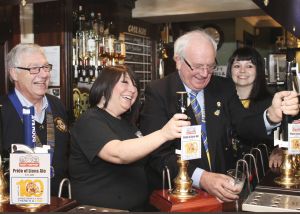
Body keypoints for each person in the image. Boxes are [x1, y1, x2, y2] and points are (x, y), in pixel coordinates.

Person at [139, 29, 299, 202]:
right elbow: (158, 154)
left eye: (210, 66)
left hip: (223, 191)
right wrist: (202, 178)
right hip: (177, 195)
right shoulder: (158, 91)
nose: (204, 74)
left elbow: (243, 124)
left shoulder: (223, 87)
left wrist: (271, 116)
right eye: (198, 66)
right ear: (178, 61)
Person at [69, 65, 190, 211]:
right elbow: (118, 153)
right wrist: (164, 134)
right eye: (125, 82)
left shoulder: (128, 125)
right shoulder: (90, 120)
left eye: (135, 85)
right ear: (104, 85)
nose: (133, 90)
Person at [0, 43, 69, 196]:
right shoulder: (3, 111)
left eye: (46, 67)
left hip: (60, 203)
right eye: (34, 69)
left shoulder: (57, 105)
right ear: (14, 74)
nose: (44, 74)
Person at [226, 47, 274, 165]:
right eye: (237, 66)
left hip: (259, 168)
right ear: (230, 70)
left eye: (249, 66)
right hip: (224, 170)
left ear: (259, 70)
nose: (242, 71)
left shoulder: (271, 103)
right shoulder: (220, 102)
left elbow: (283, 136)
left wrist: (279, 150)